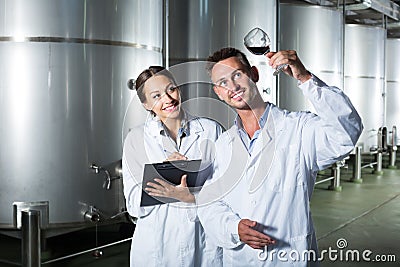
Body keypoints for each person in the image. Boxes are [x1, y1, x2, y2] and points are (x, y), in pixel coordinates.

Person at [197, 48, 363, 266]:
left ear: (254, 74)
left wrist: (304, 77)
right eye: (223, 82)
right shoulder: (222, 146)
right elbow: (210, 203)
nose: (233, 86)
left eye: (237, 75)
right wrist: (233, 228)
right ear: (218, 92)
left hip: (288, 257)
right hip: (240, 258)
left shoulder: (298, 129)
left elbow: (346, 132)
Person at [122, 66, 223, 266]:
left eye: (171, 89)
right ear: (146, 104)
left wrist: (192, 197)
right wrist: (163, 173)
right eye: (156, 96)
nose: (168, 99)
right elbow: (133, 204)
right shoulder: (136, 139)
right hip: (157, 248)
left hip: (203, 243)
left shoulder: (211, 131)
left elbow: (224, 189)